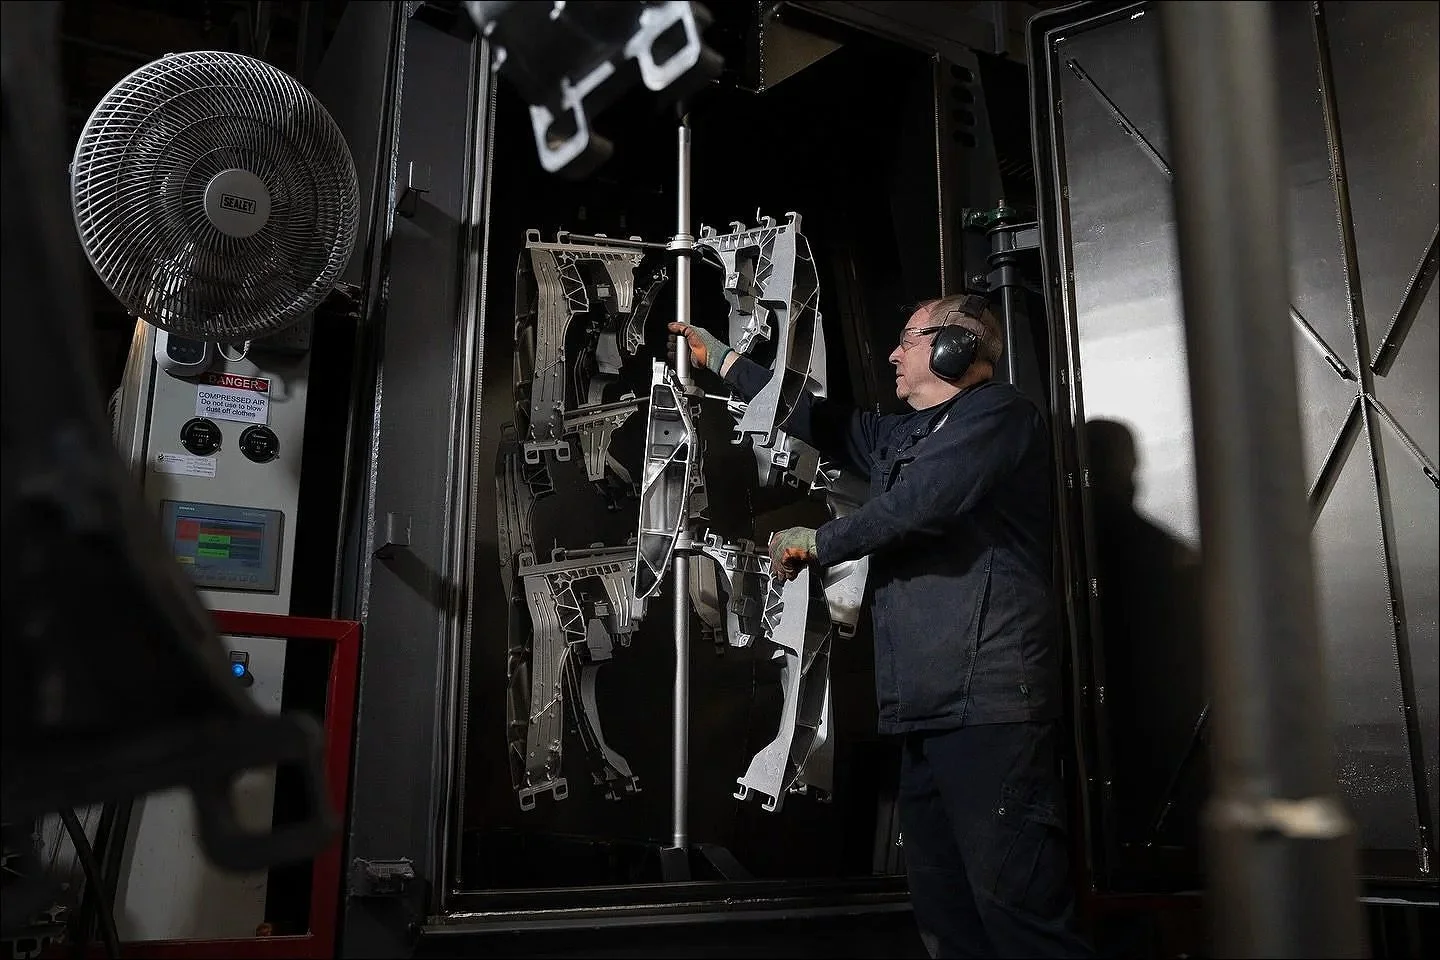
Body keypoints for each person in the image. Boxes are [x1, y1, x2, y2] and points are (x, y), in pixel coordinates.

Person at [669, 296, 1093, 959]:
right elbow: (821, 420)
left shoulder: (1000, 417)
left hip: (988, 707)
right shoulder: (908, 433)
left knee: (1018, 915)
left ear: (956, 346)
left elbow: (922, 504)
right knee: (947, 915)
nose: (894, 354)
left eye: (909, 340)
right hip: (925, 709)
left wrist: (821, 539)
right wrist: (727, 363)